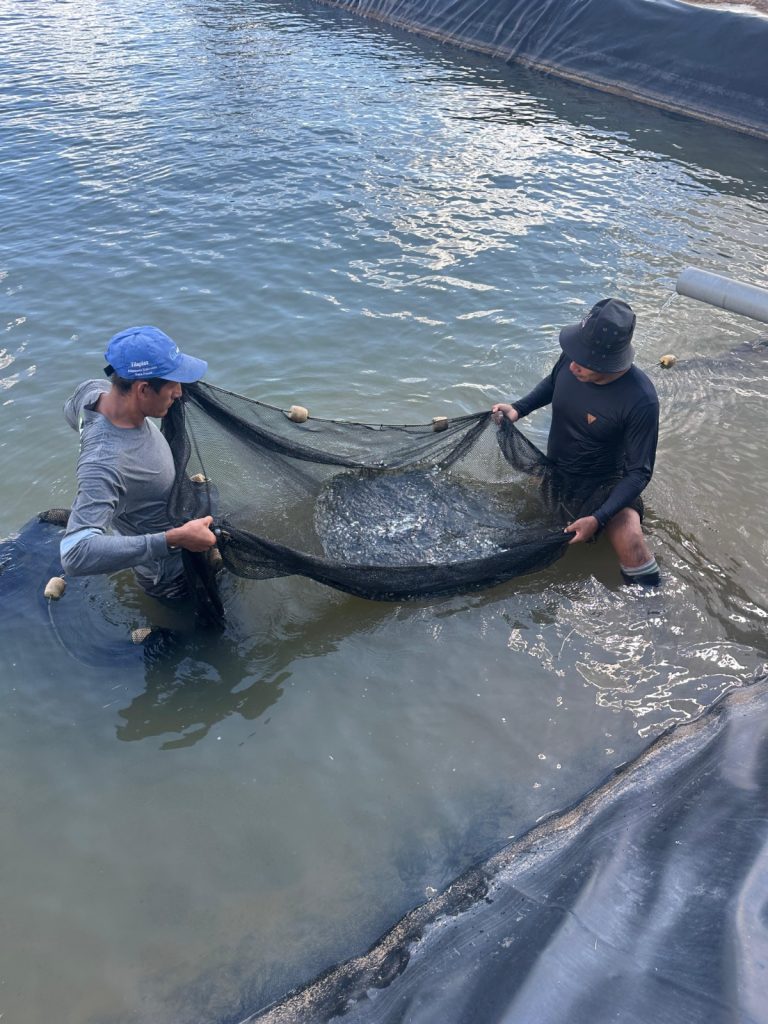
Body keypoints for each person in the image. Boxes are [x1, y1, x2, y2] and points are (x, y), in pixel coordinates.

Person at [492, 298, 660, 586]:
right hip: (557, 471)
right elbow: (553, 382)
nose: (572, 365)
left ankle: (652, 603)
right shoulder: (573, 359)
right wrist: (519, 408)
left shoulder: (641, 400)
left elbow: (639, 473)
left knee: (631, 542)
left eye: (583, 362)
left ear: (609, 363)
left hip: (604, 484)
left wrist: (599, 518)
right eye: (573, 353)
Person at [60, 326, 216, 599]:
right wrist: (173, 539)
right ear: (143, 389)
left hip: (181, 529)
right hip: (172, 576)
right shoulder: (106, 463)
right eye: (172, 385)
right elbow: (74, 553)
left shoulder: (91, 392)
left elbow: (71, 412)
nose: (180, 393)